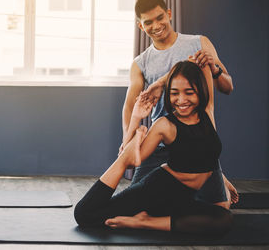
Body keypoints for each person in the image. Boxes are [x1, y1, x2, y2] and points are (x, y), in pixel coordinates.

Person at [74, 60, 233, 234]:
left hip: (183, 199)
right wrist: (136, 117)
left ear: (200, 92)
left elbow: (199, 62)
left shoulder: (207, 112)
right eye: (174, 93)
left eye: (189, 92)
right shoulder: (165, 125)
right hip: (156, 191)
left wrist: (161, 82)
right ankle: (145, 219)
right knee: (85, 215)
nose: (181, 100)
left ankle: (144, 222)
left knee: (223, 218)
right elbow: (131, 161)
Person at [120, 0, 238, 206]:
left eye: (159, 18)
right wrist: (126, 142)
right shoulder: (141, 62)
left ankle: (215, 173)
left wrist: (214, 68)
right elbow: (130, 105)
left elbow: (227, 86)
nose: (156, 25)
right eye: (148, 22)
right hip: (161, 141)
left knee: (217, 209)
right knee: (135, 204)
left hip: (196, 139)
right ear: (140, 26)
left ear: (169, 14)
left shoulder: (199, 43)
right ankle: (215, 176)